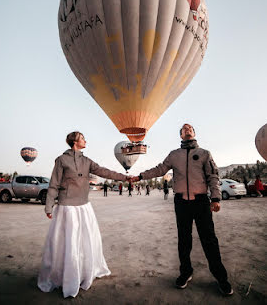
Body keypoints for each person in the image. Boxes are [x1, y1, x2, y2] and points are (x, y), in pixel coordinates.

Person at [131, 123, 233, 296]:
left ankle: (221, 278)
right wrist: (141, 176)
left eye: (190, 128)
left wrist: (215, 197)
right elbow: (160, 169)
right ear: (180, 135)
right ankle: (186, 272)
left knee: (209, 240)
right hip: (181, 203)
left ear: (193, 133)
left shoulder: (204, 154)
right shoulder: (174, 155)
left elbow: (213, 176)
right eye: (184, 129)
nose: (187, 130)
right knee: (184, 240)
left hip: (201, 202)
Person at [38, 131, 128, 298]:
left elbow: (104, 171)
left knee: (85, 242)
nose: (86, 140)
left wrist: (125, 177)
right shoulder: (61, 160)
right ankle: (65, 276)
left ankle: (83, 273)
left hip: (84, 207)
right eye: (83, 138)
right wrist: (48, 206)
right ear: (75, 141)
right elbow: (53, 184)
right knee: (68, 243)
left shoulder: (87, 161)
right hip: (67, 207)